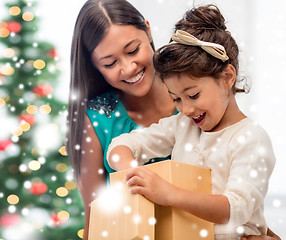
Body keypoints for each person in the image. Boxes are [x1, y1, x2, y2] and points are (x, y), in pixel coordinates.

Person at [67, 0, 280, 239]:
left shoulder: (229, 129)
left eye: (132, 50)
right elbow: (96, 217)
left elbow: (241, 209)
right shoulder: (182, 124)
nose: (128, 68)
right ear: (95, 66)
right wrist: (135, 173)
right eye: (110, 63)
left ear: (147, 31)